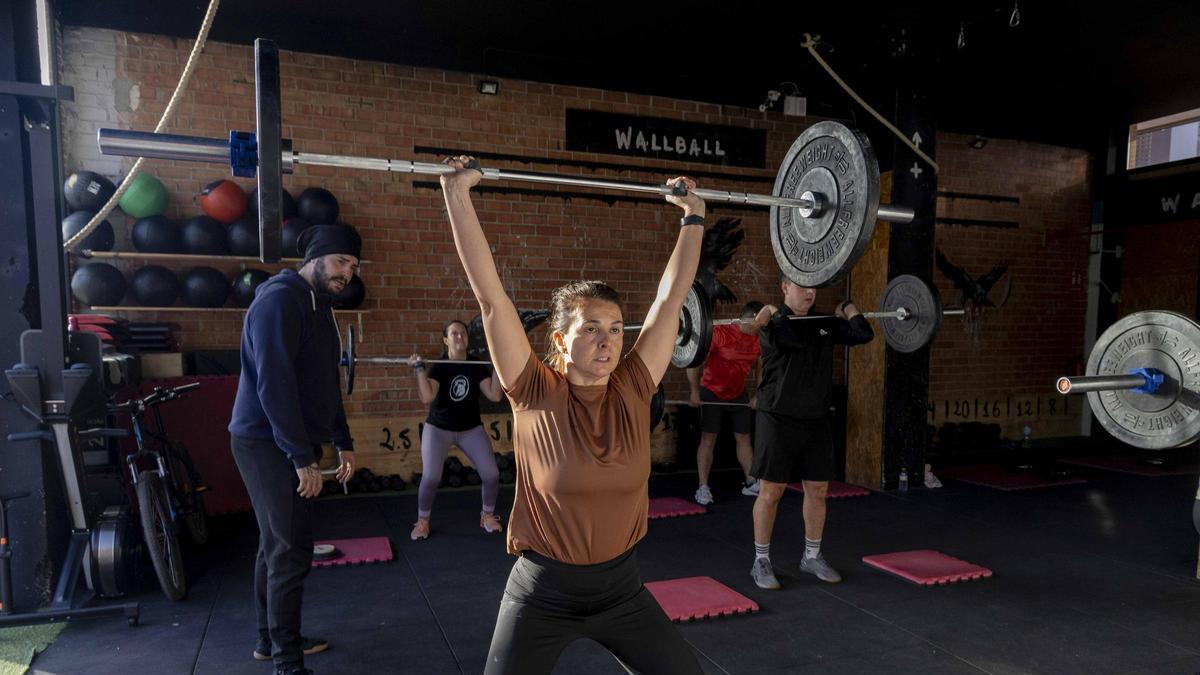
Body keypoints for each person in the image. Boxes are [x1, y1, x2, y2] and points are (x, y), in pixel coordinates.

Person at [439, 155, 706, 675]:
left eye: (615, 329)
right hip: (542, 594)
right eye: (590, 328)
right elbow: (491, 301)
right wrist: (457, 192)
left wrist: (692, 216)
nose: (607, 341)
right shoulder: (533, 388)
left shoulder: (632, 387)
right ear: (560, 340)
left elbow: (671, 300)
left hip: (622, 591)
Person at [228, 224, 360, 675]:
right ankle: (286, 660)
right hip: (264, 441)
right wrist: (300, 456)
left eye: (354, 265)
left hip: (288, 439)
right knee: (291, 549)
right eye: (341, 262)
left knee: (275, 545)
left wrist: (343, 441)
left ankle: (270, 641)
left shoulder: (319, 305)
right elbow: (274, 384)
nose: (347, 272)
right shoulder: (280, 299)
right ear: (317, 258)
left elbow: (326, 383)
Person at [748, 277, 874, 590]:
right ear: (783, 288)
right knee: (771, 492)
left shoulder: (825, 323)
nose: (809, 292)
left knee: (818, 490)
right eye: (801, 286)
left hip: (816, 419)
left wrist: (849, 308)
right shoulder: (772, 326)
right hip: (777, 418)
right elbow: (793, 342)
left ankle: (812, 555)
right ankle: (761, 561)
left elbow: (863, 333)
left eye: (813, 287)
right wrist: (772, 316)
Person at [409, 319, 504, 540]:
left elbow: (494, 395)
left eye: (463, 333)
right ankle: (422, 521)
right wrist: (420, 370)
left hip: (470, 429)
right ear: (446, 340)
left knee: (492, 475)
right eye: (454, 333)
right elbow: (427, 397)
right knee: (431, 477)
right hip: (439, 429)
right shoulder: (440, 367)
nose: (460, 336)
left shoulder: (476, 365)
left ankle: (487, 515)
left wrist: (498, 368)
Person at [687, 300, 766, 505]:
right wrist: (695, 391)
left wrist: (759, 394)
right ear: (751, 318)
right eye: (761, 322)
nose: (764, 326)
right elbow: (694, 360)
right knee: (708, 439)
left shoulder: (759, 339)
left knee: (744, 438)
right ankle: (703, 487)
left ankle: (750, 483)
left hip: (738, 394)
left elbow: (761, 368)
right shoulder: (720, 333)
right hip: (711, 392)